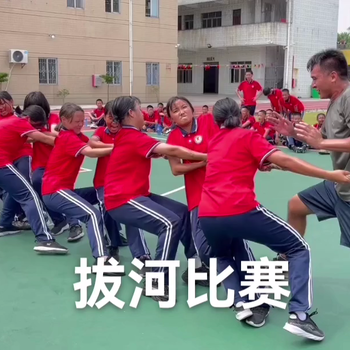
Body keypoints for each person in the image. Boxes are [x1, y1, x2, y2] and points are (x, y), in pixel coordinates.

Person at [198, 97, 350, 341]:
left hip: (207, 214)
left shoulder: (215, 141)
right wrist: (328, 173)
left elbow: (235, 163)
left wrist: (263, 163)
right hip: (240, 209)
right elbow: (286, 160)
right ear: (242, 115)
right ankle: (300, 315)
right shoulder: (247, 137)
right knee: (298, 248)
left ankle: (241, 301)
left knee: (221, 256)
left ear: (216, 120)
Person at [104, 96, 207, 301]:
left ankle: (197, 265)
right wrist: (208, 157)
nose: (144, 113)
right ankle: (156, 281)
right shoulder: (132, 136)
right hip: (122, 199)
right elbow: (172, 150)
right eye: (140, 110)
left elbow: (161, 153)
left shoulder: (131, 136)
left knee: (181, 213)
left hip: (136, 195)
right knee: (170, 224)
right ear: (132, 114)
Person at [267, 49, 350, 261]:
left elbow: (324, 141)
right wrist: (293, 133)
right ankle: (288, 259)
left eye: (315, 78)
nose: (313, 84)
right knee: (296, 205)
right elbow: (328, 138)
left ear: (333, 76)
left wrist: (321, 142)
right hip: (339, 185)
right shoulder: (335, 100)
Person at [41, 103, 121, 273]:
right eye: (76, 121)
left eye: (82, 121)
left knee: (103, 193)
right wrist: (120, 148)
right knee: (92, 214)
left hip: (64, 190)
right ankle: (101, 259)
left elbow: (93, 144)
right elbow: (91, 152)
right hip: (55, 191)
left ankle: (114, 236)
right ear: (64, 120)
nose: (80, 124)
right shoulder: (68, 137)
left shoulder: (75, 135)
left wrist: (120, 145)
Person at [166, 96, 221, 288]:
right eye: (175, 110)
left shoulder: (208, 121)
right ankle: (216, 268)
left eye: (184, 107)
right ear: (171, 117)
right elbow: (176, 169)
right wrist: (203, 162)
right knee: (201, 243)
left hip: (221, 189)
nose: (181, 111)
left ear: (192, 108)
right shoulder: (173, 137)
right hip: (197, 195)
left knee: (229, 232)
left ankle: (225, 270)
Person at [0, 103, 68, 253]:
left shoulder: (10, 122)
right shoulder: (20, 123)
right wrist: (76, 145)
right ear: (29, 118)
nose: (35, 129)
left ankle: (5, 224)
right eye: (35, 125)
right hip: (2, 163)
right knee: (30, 196)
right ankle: (45, 240)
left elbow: (35, 138)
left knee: (16, 190)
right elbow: (45, 138)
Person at [89, 101, 150, 263]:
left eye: (117, 118)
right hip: (104, 183)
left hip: (126, 184)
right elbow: (93, 143)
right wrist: (117, 146)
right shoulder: (102, 132)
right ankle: (112, 245)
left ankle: (141, 254)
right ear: (105, 117)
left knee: (132, 215)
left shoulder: (128, 134)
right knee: (105, 209)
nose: (114, 122)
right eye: (110, 117)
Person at [23, 91, 84, 238]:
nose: (34, 111)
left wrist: (39, 136)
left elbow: (57, 139)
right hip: (40, 163)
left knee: (63, 190)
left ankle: (74, 224)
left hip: (59, 163)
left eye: (37, 107)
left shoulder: (55, 119)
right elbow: (25, 139)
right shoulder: (28, 121)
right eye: (30, 107)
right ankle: (59, 220)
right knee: (38, 182)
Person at [0, 91, 32, 233]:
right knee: (13, 188)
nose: (0, 108)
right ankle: (11, 219)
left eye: (2, 103)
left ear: (11, 102)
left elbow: (33, 136)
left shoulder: (20, 118)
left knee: (23, 185)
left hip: (22, 155)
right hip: (6, 159)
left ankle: (14, 218)